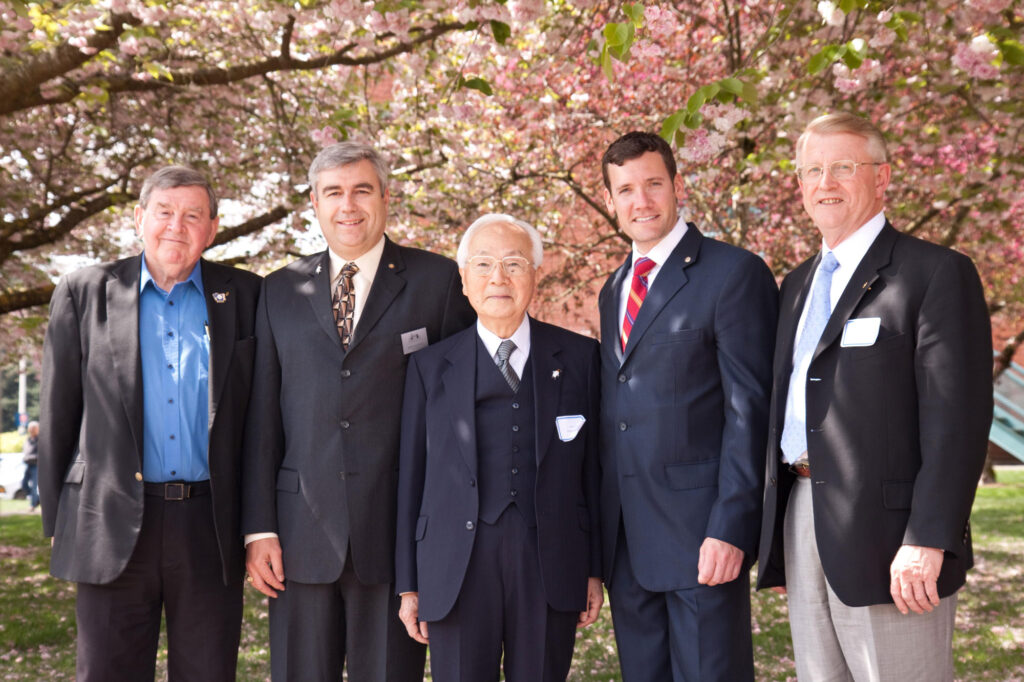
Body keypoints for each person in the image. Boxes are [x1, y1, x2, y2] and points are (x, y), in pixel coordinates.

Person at [756, 112, 993, 681]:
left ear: (882, 177)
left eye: (843, 167)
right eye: (812, 170)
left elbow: (956, 422)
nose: (825, 183)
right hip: (805, 517)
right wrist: (781, 538)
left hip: (894, 537)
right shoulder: (794, 286)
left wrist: (927, 538)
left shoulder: (934, 273)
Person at [242, 141, 476, 682]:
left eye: (361, 191)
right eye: (333, 193)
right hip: (298, 537)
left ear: (385, 198)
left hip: (396, 536)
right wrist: (259, 530)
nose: (348, 206)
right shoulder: (277, 291)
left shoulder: (438, 283)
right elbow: (262, 421)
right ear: (315, 204)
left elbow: (459, 418)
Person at [38, 165, 262, 681]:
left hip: (209, 526)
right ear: (140, 218)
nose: (176, 227)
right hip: (109, 522)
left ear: (212, 227)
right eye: (164, 212)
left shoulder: (247, 296)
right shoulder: (83, 291)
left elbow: (259, 422)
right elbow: (58, 414)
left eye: (192, 216)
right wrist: (59, 522)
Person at [597, 131, 778, 681]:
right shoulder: (614, 289)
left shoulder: (733, 274)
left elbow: (750, 412)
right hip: (628, 540)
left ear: (678, 186)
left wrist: (730, 526)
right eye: (626, 190)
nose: (641, 201)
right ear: (611, 201)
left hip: (701, 537)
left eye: (653, 184)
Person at [395, 214, 604, 681]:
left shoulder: (580, 357)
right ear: (464, 280)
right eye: (484, 264)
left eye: (513, 263)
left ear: (535, 275)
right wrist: (409, 584)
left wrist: (594, 568)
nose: (499, 278)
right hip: (456, 564)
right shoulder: (429, 367)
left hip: (550, 561)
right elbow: (411, 477)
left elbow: (593, 472)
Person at [20, 420, 39, 511]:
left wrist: (30, 457)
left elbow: (41, 454)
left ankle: (33, 505)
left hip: (36, 465)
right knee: (24, 484)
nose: (31, 430)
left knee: (34, 486)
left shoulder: (40, 440)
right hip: (28, 465)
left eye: (33, 428)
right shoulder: (28, 439)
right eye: (30, 428)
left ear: (37, 429)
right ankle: (37, 500)